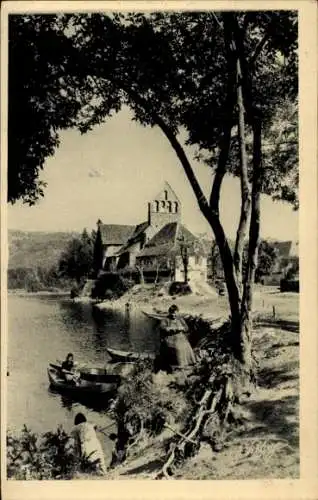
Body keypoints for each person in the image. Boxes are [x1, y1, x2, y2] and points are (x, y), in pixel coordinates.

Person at [157, 304, 196, 373]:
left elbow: (186, 328)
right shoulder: (166, 320)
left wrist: (182, 328)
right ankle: (178, 365)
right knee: (178, 347)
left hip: (181, 337)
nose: (173, 315)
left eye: (175, 313)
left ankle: (188, 363)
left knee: (186, 345)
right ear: (170, 312)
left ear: (177, 312)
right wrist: (169, 329)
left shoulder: (180, 319)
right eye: (172, 313)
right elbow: (162, 327)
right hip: (170, 337)